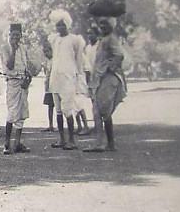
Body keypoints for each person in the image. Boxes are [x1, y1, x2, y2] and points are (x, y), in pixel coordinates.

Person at [83, 10, 127, 153]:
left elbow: (119, 55)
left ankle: (103, 144)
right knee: (100, 111)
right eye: (101, 23)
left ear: (111, 25)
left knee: (102, 111)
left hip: (108, 78)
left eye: (105, 24)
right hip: (101, 78)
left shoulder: (110, 39)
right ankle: (106, 143)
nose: (102, 26)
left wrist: (110, 67)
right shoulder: (103, 39)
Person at [47, 9, 86, 151]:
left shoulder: (75, 40)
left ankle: (71, 140)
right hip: (55, 78)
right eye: (58, 25)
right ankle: (62, 139)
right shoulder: (54, 39)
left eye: (63, 25)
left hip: (68, 78)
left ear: (67, 24)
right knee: (58, 110)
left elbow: (79, 60)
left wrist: (78, 77)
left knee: (67, 110)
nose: (60, 28)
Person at [1, 24, 39, 154]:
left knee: (22, 113)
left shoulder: (23, 48)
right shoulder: (5, 48)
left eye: (18, 35)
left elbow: (27, 64)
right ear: (9, 35)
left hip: (23, 82)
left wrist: (32, 72)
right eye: (13, 35)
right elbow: (10, 65)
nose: (15, 37)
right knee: (12, 112)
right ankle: (7, 144)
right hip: (12, 82)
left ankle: (17, 143)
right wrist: (12, 49)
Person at [40, 42, 56, 132]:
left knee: (58, 106)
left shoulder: (55, 60)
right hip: (48, 86)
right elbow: (47, 73)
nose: (46, 54)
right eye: (44, 52)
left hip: (55, 85)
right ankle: (50, 125)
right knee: (50, 106)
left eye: (47, 51)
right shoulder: (47, 62)